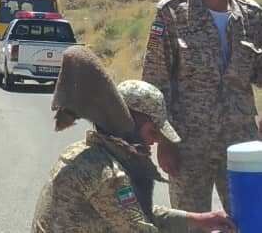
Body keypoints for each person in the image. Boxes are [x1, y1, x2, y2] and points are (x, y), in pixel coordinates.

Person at [32, 46, 235, 232]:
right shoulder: (107, 175)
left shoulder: (85, 152)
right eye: (152, 132)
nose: (153, 143)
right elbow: (140, 228)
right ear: (131, 125)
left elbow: (135, 213)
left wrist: (199, 219)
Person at [142, 0, 262, 219]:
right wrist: (165, 141)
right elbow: (156, 83)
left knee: (250, 220)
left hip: (241, 144)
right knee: (189, 222)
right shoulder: (172, 14)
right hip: (188, 146)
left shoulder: (252, 15)